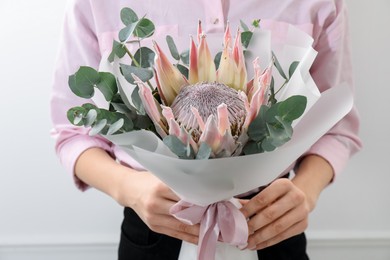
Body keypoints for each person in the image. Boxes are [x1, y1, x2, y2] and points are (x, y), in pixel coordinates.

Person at [50, 0, 362, 259]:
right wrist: (130, 189)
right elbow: (72, 131)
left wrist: (305, 192)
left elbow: (335, 128)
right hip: (152, 227)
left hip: (273, 224)